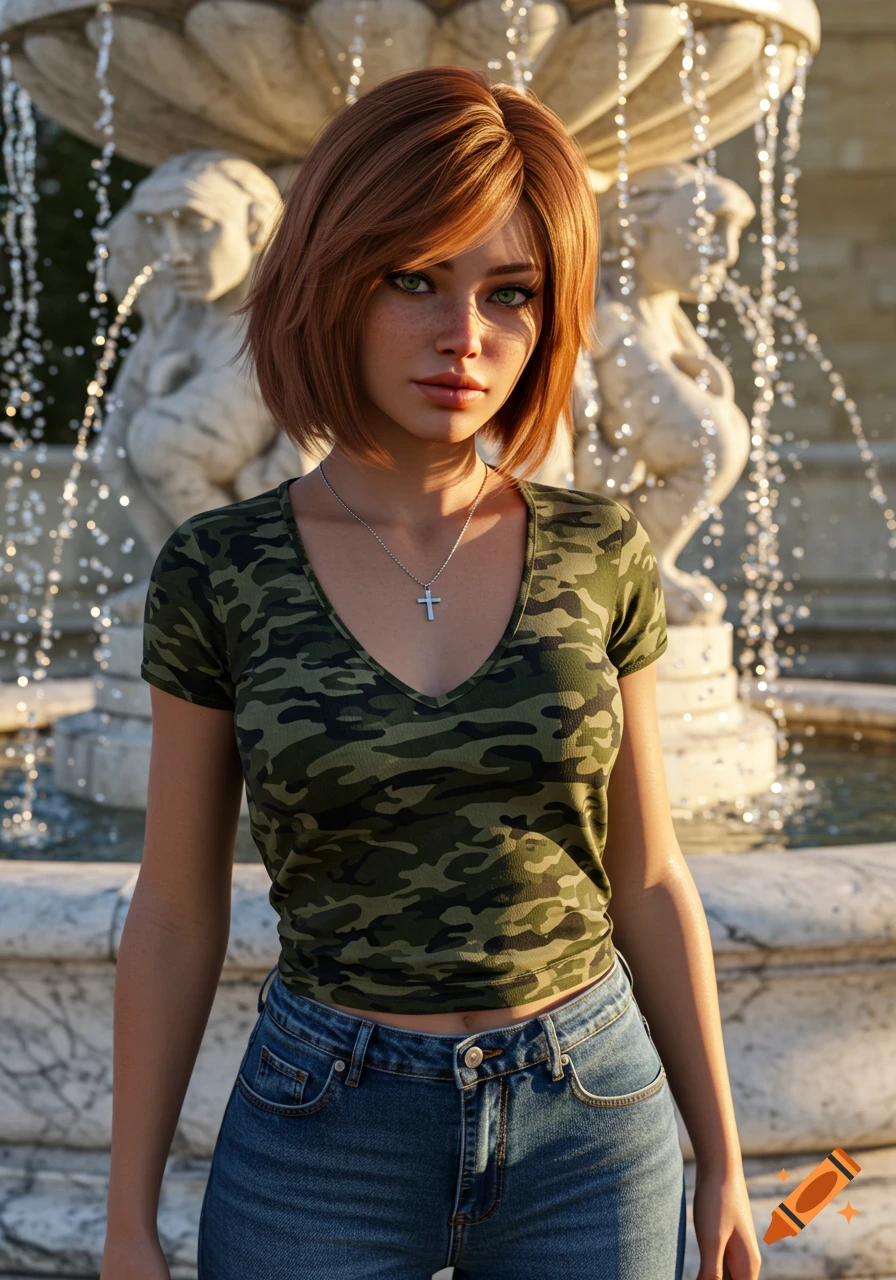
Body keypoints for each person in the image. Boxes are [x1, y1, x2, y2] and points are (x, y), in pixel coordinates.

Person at [100, 65, 762, 1280]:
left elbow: (648, 873)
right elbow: (177, 906)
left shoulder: (598, 547)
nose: (465, 335)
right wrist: (126, 1219)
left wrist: (720, 1153)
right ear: (331, 277)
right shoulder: (220, 567)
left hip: (590, 1119)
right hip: (322, 1127)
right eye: (414, 278)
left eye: (509, 292)